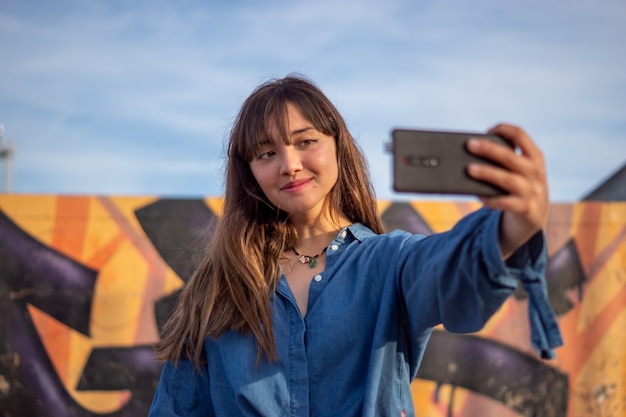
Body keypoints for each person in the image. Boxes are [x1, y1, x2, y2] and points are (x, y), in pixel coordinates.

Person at [148, 75, 562, 417]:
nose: (289, 165)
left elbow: (452, 275)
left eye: (305, 141)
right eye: (266, 152)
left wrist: (513, 227)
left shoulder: (391, 262)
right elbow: (176, 407)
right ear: (250, 171)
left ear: (337, 145)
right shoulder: (219, 286)